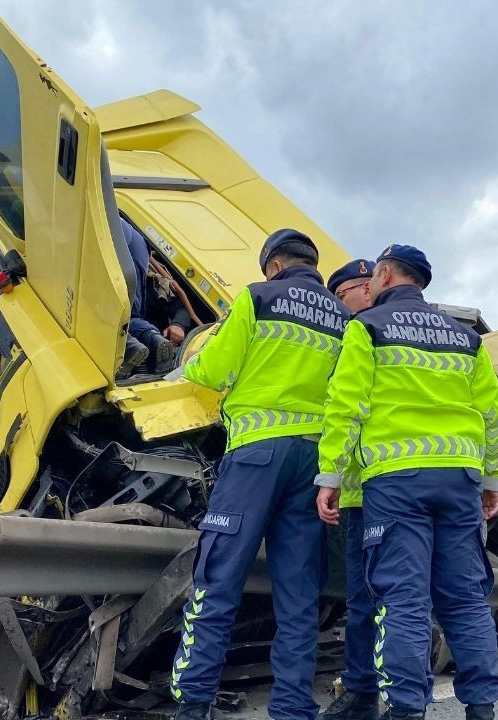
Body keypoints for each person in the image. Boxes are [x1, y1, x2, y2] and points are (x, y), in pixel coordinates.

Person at [316, 245, 498, 720]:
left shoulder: (368, 329)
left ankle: (406, 708)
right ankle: (481, 708)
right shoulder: (465, 337)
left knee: (403, 599)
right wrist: (491, 481)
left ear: (383, 275)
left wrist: (331, 476)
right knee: (465, 597)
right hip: (459, 481)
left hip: (397, 482)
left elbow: (347, 406)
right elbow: (492, 414)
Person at [168, 229, 351, 720]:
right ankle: (293, 707)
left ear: (272, 264)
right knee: (298, 591)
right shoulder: (343, 319)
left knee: (219, 576)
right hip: (314, 465)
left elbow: (210, 371)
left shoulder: (259, 297)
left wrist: (194, 357)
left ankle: (194, 702)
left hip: (255, 457)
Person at [317, 259, 378, 720]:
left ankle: (369, 693)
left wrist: (330, 479)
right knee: (372, 598)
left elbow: (343, 412)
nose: (361, 294)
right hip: (379, 490)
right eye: (351, 290)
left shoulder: (361, 336)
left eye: (363, 286)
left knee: (373, 596)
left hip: (373, 490)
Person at [119, 215, 177, 378]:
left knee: (94, 309)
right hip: (138, 244)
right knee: (131, 313)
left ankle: (128, 346)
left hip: (109, 243)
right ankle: (152, 337)